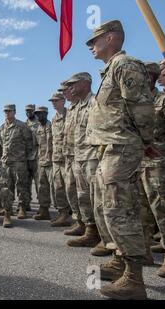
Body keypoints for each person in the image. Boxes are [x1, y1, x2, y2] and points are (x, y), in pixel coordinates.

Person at [86, 20, 156, 299]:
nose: (92, 45)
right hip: (111, 147)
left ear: (112, 38)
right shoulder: (111, 69)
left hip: (123, 146)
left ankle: (134, 279)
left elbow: (142, 106)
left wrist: (146, 141)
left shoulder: (125, 65)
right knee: (107, 208)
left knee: (119, 208)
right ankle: (119, 261)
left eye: (95, 40)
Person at [136, 62, 165, 277]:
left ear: (154, 78)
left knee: (164, 211)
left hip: (161, 167)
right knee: (141, 212)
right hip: (139, 165)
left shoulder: (164, 101)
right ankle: (144, 251)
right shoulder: (138, 103)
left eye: (147, 75)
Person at [65, 72, 102, 249]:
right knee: (83, 197)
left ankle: (105, 238)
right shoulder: (78, 107)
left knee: (98, 199)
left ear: (85, 83)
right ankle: (90, 231)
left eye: (74, 84)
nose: (70, 87)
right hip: (79, 157)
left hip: (93, 157)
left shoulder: (95, 102)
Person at [0, 104, 33, 219]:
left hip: (19, 161)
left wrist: (23, 157)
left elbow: (29, 143)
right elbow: (1, 143)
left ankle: (22, 208)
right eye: (5, 111)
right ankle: (7, 209)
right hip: (6, 162)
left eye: (9, 111)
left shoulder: (21, 126)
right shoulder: (2, 127)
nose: (7, 113)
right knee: (6, 186)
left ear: (14, 112)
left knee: (21, 185)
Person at [61, 82, 84, 237]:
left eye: (66, 90)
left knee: (84, 194)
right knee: (70, 190)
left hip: (83, 156)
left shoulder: (89, 104)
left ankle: (90, 226)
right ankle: (80, 221)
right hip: (69, 156)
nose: (64, 94)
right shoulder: (71, 109)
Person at [48, 92, 72, 228]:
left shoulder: (70, 115)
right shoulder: (54, 119)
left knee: (72, 188)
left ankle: (77, 216)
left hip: (69, 158)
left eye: (56, 100)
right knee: (58, 188)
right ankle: (63, 214)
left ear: (63, 101)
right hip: (56, 158)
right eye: (52, 101)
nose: (53, 103)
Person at [33, 106, 54, 220]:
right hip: (41, 161)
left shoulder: (52, 126)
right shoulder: (38, 129)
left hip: (52, 161)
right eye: (37, 114)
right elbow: (37, 145)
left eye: (41, 114)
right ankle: (44, 209)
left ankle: (64, 212)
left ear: (46, 114)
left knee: (57, 187)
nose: (38, 116)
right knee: (42, 187)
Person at [25, 104, 39, 212]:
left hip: (38, 156)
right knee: (26, 182)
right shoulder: (24, 124)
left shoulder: (40, 122)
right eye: (26, 111)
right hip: (26, 157)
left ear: (34, 111)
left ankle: (42, 207)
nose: (28, 112)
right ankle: (26, 203)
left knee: (40, 183)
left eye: (30, 110)